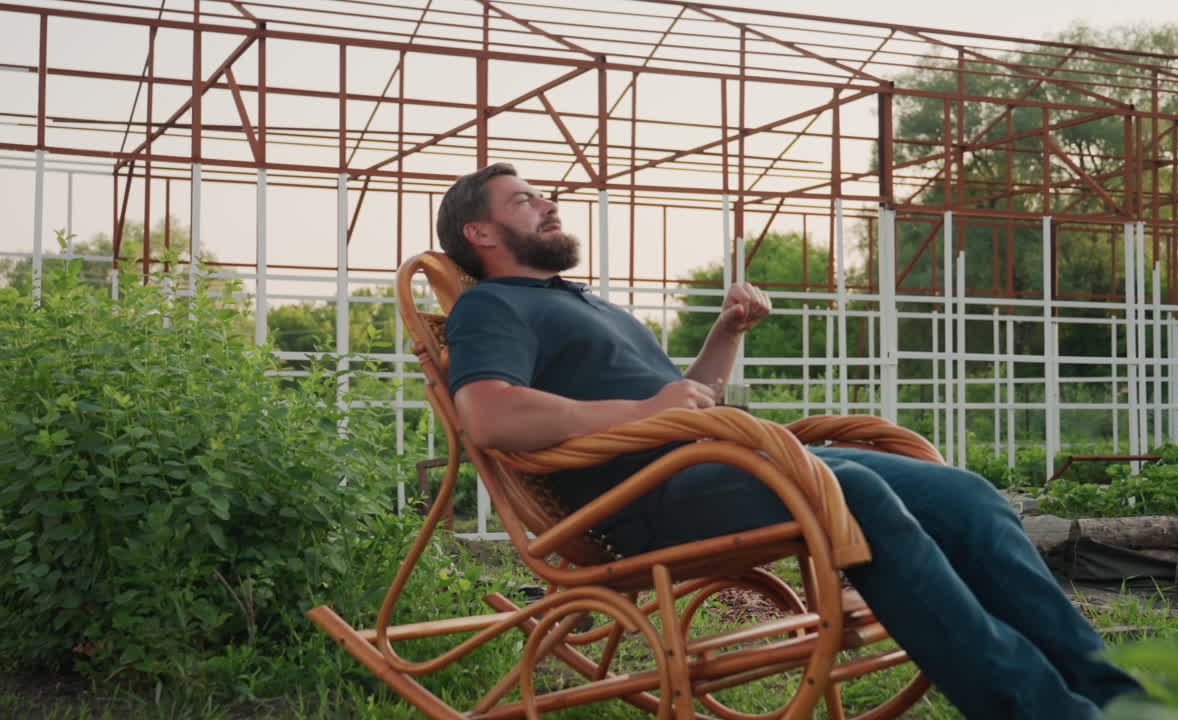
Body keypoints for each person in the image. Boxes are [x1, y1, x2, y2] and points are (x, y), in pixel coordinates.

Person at [438, 162, 1140, 719]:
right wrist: (643, 409)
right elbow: (491, 414)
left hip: (716, 460)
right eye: (526, 199)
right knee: (851, 490)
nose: (550, 204)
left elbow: (688, 402)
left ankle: (1124, 703)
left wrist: (725, 335)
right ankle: (1043, 710)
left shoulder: (583, 301)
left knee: (965, 493)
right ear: (482, 234)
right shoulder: (490, 304)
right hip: (639, 501)